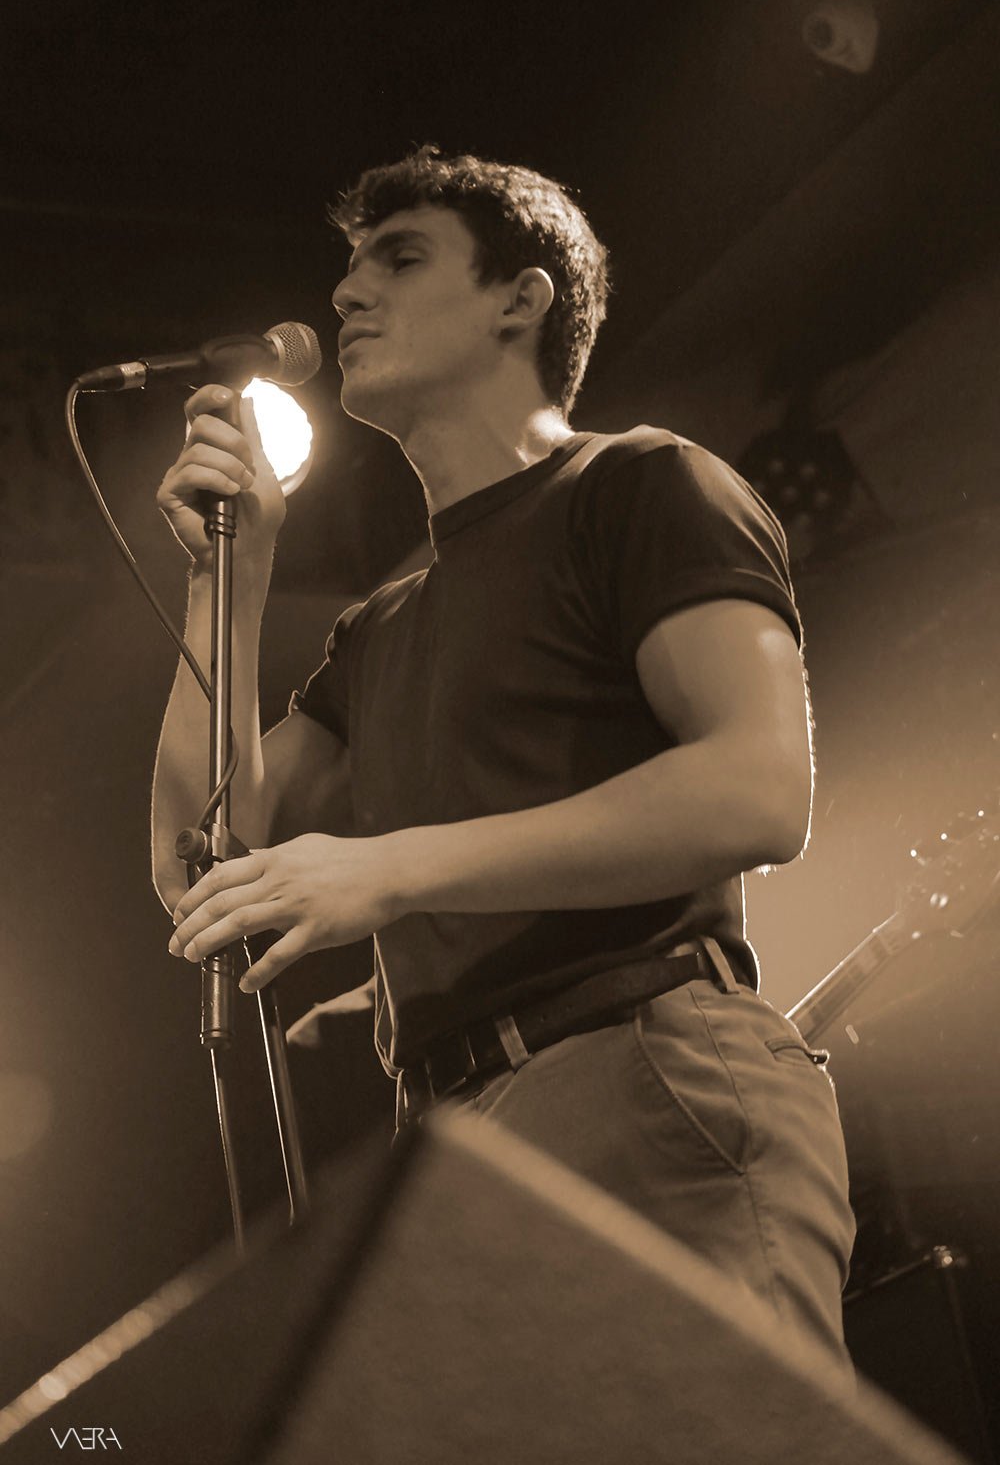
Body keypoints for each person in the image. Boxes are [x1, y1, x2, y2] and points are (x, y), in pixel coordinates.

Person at [152, 148, 855, 1360]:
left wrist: (394, 868)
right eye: (350, 266)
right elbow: (201, 861)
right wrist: (230, 576)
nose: (346, 293)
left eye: (399, 257)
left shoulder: (641, 482)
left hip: (641, 1068)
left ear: (519, 300)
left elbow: (757, 791)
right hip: (452, 1139)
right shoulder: (379, 627)